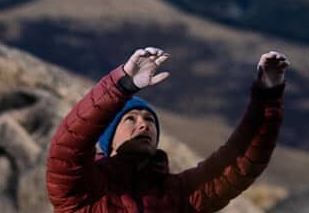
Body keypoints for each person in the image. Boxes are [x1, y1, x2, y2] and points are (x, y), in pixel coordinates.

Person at [46, 45, 289, 213]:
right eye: (130, 119)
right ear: (107, 140)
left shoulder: (180, 196)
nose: (143, 124)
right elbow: (69, 146)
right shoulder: (84, 191)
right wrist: (121, 86)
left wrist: (267, 95)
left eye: (150, 121)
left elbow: (240, 163)